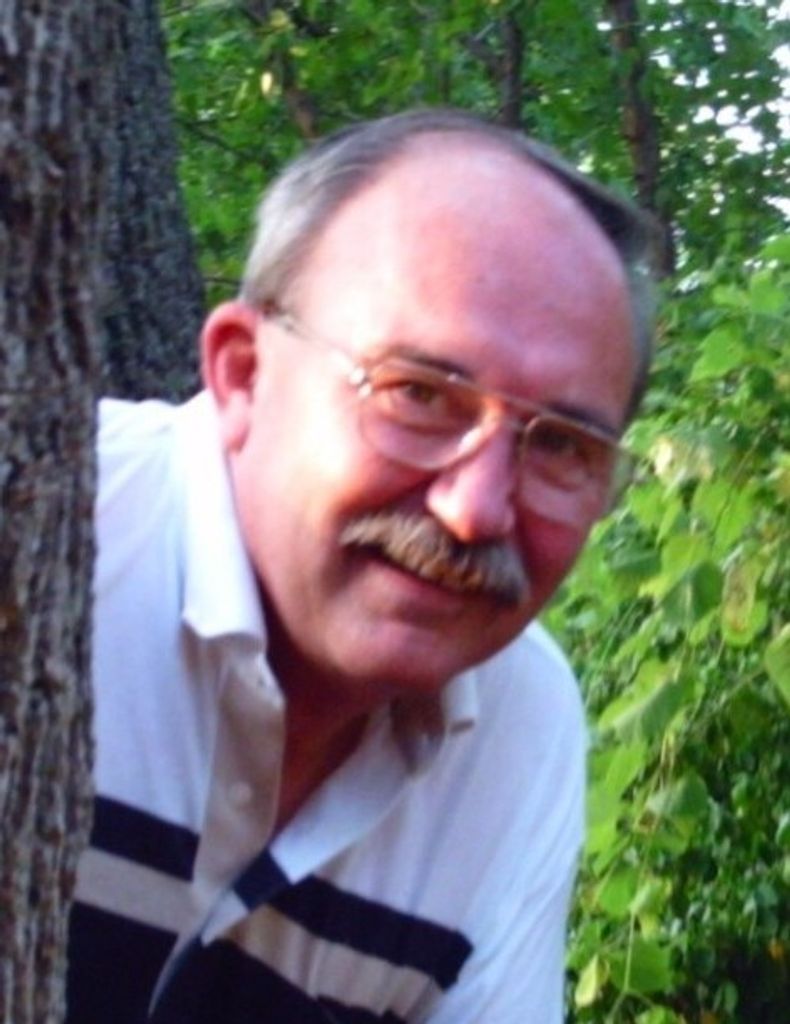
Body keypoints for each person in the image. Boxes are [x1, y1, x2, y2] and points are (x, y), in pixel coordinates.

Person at [67, 108, 654, 1023]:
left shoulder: (517, 733)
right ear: (243, 374)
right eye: (419, 394)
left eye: (560, 446)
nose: (475, 510)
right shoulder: (57, 536)